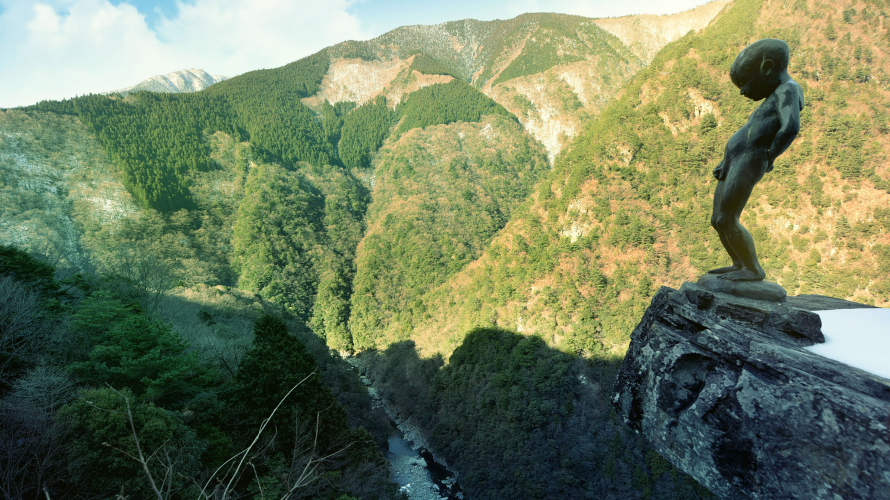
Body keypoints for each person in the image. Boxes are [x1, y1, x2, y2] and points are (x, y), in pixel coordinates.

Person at [709, 39, 804, 281]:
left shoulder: (788, 89)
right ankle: (738, 263)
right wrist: (725, 159)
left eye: (744, 83)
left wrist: (770, 155)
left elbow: (790, 127)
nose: (742, 91)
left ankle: (753, 269)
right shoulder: (772, 95)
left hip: (751, 159)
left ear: (767, 67)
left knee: (727, 217)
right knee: (716, 220)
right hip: (735, 160)